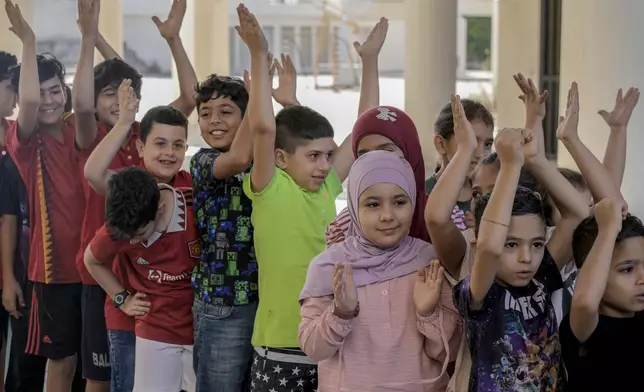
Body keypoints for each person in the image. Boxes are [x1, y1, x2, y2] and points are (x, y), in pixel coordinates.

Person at [73, 1, 197, 390]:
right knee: (108, 379)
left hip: (166, 307)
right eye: (158, 143)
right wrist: (90, 38)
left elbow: (188, 97)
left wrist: (174, 40)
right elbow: (94, 169)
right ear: (142, 146)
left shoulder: (167, 159)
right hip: (111, 283)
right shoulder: (108, 147)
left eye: (175, 145)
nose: (167, 150)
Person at [240, 5, 354, 391]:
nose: (325, 164)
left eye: (327, 156)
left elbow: (365, 128)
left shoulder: (326, 186)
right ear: (281, 159)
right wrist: (259, 56)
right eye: (315, 157)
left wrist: (368, 61)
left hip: (329, 342)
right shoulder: (271, 188)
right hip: (280, 349)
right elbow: (263, 129)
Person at [299, 150, 461, 391]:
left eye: (399, 202)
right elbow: (313, 349)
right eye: (373, 204)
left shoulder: (429, 261)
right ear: (354, 205)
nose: (387, 215)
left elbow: (450, 351)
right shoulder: (330, 266)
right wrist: (340, 313)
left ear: (413, 203)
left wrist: (428, 313)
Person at [453, 127, 589, 391]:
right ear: (476, 246)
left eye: (537, 244)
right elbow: (490, 247)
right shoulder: (480, 292)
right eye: (511, 244)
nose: (526, 257)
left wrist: (536, 160)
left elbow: (578, 216)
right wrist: (510, 167)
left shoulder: (541, 277)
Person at [3, 2, 88, 390]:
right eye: (39, 92)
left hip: (98, 268)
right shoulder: (26, 140)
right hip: (53, 274)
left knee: (97, 369)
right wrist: (29, 39)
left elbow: (92, 101)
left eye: (55, 90)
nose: (48, 99)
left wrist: (90, 36)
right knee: (63, 364)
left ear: (66, 91)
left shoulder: (82, 132)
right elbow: (33, 104)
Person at [84, 167, 198, 392]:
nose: (133, 243)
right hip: (154, 327)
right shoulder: (123, 224)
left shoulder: (195, 206)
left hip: (199, 327)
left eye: (140, 234)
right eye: (128, 238)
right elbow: (92, 260)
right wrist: (122, 299)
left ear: (160, 208)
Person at [0, 49, 48, 392]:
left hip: (14, 264)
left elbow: (10, 216)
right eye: (8, 85)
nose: (17, 95)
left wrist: (8, 276)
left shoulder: (18, 135)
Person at [560, 198, 643, 392]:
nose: (642, 278)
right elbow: (585, 303)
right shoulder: (586, 327)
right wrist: (607, 230)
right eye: (627, 269)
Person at [325, 105, 430, 247]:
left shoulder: (442, 217)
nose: (376, 161)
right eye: (365, 155)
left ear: (411, 152)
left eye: (387, 151)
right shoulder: (342, 228)